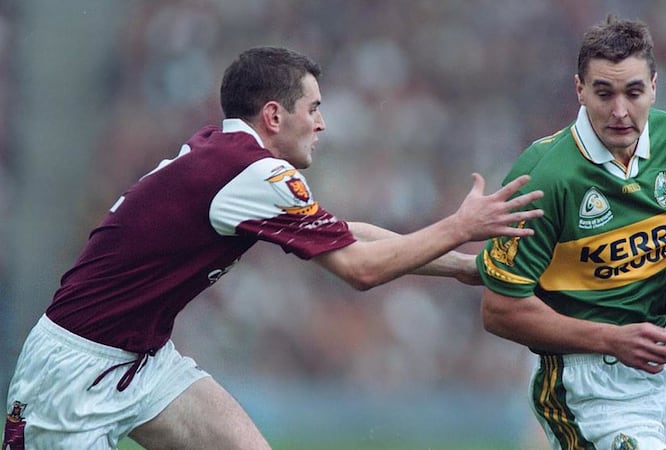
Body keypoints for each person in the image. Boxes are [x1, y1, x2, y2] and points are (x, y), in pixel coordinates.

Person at [3, 46, 545, 450]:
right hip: (72, 375)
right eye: (313, 107)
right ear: (273, 115)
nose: (322, 122)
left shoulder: (231, 156)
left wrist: (463, 268)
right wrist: (461, 224)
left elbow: (346, 233)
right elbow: (360, 269)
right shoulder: (254, 172)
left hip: (143, 363)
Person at [477, 16, 666, 450]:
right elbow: (498, 310)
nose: (620, 111)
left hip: (659, 364)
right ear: (579, 89)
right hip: (587, 382)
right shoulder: (544, 175)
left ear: (654, 87)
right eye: (604, 92)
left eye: (633, 92)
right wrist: (611, 339)